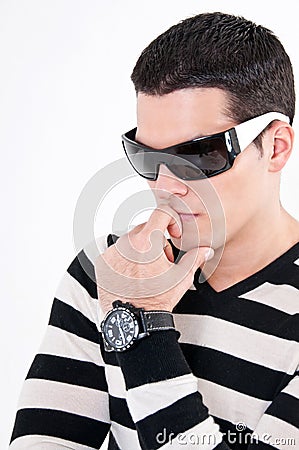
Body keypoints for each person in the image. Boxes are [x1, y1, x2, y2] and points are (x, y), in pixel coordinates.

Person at [10, 11, 299, 450]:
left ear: (275, 147)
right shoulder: (105, 274)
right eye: (147, 157)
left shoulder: (124, 294)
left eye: (198, 155)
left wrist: (141, 327)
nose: (165, 185)